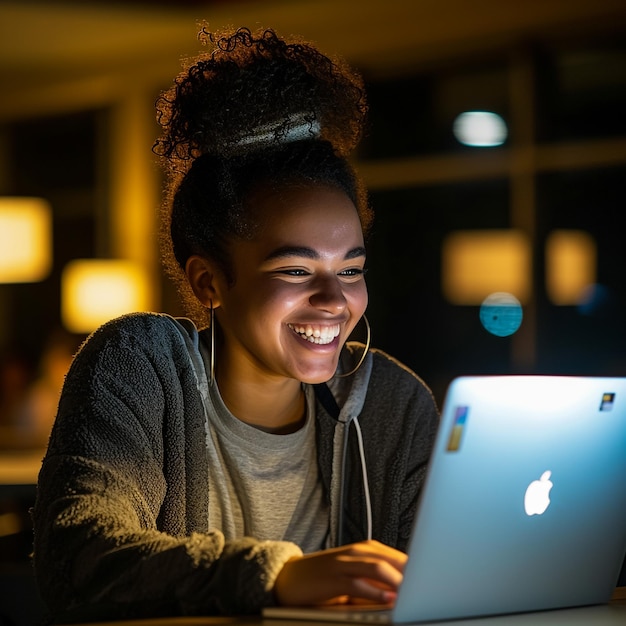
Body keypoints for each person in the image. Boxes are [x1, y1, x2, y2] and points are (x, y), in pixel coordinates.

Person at [32, 25, 439, 622]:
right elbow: (80, 558)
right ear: (209, 282)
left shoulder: (393, 404)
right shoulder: (141, 364)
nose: (334, 300)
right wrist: (277, 576)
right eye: (297, 271)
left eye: (350, 270)